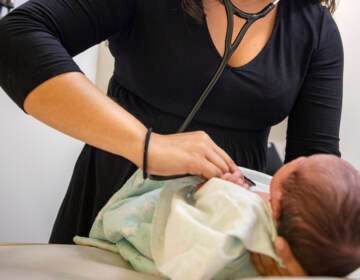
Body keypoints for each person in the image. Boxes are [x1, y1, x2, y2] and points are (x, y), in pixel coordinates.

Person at [0, 0, 342, 272]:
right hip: (116, 195)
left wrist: (298, 248)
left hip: (230, 237)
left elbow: (316, 168)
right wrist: (146, 146)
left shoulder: (317, 31)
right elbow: (15, 38)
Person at [74, 154, 360, 279]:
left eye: (303, 164)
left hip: (159, 235)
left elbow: (208, 212)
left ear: (278, 205)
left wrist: (214, 188)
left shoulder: (239, 213)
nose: (300, 158)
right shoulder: (300, 233)